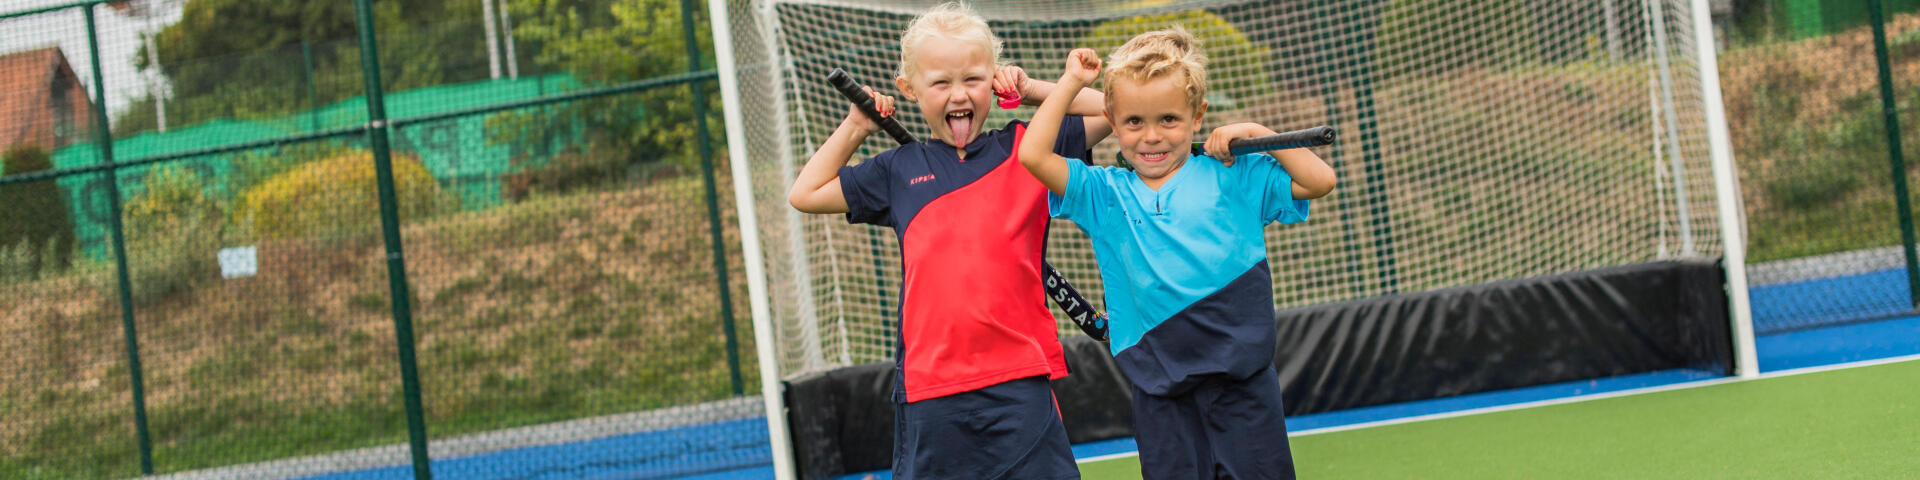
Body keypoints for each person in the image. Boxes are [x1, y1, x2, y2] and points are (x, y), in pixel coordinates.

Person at [784, 2, 1111, 478]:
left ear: (993, 80)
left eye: (973, 79)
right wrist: (857, 125)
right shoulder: (899, 169)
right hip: (929, 393)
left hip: (1019, 383)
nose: (958, 93)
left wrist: (1035, 88)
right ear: (909, 90)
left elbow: (1116, 111)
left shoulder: (1028, 147)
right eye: (940, 83)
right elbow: (805, 193)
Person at [1015, 28, 1337, 480]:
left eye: (1168, 120)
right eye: (1133, 122)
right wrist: (1069, 82)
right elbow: (1032, 154)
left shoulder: (1234, 173)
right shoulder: (1104, 193)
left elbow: (1320, 181)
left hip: (1244, 391)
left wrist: (1257, 132)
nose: (1151, 137)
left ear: (1198, 116)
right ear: (1111, 119)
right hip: (1160, 395)